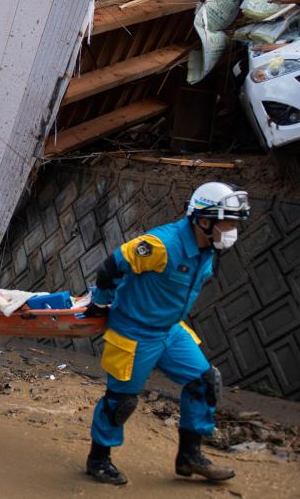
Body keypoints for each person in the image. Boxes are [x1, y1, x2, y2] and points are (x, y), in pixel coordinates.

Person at [83, 182, 250, 486]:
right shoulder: (161, 245)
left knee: (205, 382)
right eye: (228, 222)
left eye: (235, 224)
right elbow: (110, 267)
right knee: (120, 401)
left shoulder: (207, 248)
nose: (232, 230)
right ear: (203, 219)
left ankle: (189, 457)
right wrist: (101, 302)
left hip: (170, 330)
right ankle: (98, 459)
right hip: (134, 331)